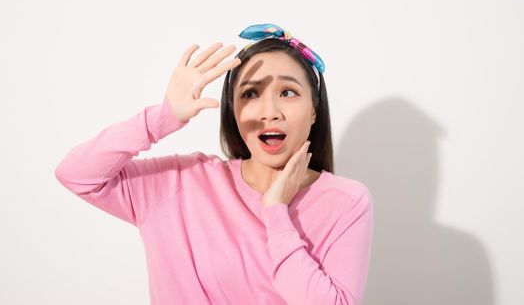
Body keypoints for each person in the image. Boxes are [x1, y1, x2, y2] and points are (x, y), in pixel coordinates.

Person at [55, 23, 374, 305]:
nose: (269, 111)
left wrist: (276, 212)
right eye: (250, 94)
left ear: (315, 110)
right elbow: (78, 175)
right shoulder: (182, 183)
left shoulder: (345, 202)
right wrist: (162, 119)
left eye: (288, 92)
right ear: (233, 111)